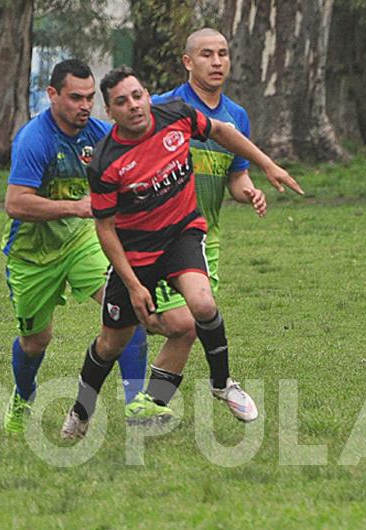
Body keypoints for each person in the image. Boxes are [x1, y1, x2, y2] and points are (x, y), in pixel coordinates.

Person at [61, 66, 303, 440]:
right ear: (109, 112)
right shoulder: (106, 162)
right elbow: (105, 228)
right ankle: (81, 411)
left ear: (147, 94)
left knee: (201, 307)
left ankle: (220, 384)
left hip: (181, 237)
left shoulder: (175, 115)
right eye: (122, 102)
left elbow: (222, 131)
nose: (134, 106)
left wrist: (267, 165)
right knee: (111, 344)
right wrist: (133, 284)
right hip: (136, 255)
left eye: (138, 95)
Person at [2, 59, 188, 434]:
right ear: (52, 95)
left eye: (89, 98)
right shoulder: (34, 139)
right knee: (36, 341)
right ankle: (23, 397)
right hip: (31, 255)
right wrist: (76, 206)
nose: (83, 106)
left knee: (125, 310)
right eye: (75, 98)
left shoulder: (100, 134)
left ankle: (137, 401)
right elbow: (15, 203)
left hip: (81, 240)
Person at [142, 27, 270, 403]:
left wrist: (250, 192)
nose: (217, 62)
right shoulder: (163, 107)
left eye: (223, 54)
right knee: (178, 324)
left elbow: (236, 176)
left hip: (204, 237)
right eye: (207, 55)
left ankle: (151, 406)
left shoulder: (237, 117)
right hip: (156, 235)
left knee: (188, 325)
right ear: (187, 61)